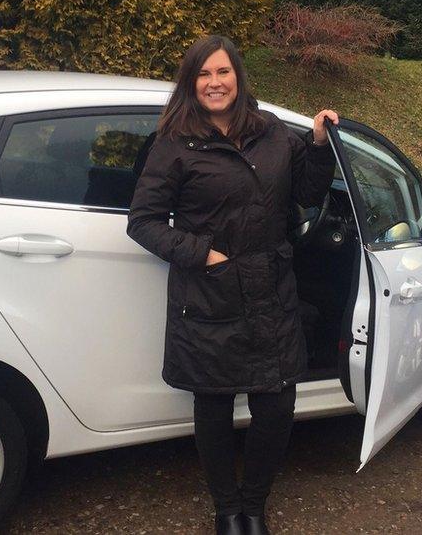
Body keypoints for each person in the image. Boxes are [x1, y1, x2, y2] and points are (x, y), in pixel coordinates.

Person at [126, 35, 338, 535]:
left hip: (270, 287)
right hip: (209, 290)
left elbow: (306, 192)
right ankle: (226, 510)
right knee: (214, 401)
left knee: (276, 401)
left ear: (238, 77)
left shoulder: (271, 133)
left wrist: (318, 145)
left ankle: (254, 505)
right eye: (203, 74)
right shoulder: (174, 143)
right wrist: (204, 253)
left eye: (223, 72)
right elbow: (144, 221)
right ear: (191, 82)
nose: (214, 83)